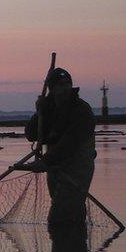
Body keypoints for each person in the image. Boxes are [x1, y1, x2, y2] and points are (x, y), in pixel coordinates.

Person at [22, 67, 97, 226]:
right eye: (59, 85)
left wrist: (45, 162)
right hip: (55, 168)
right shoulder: (49, 109)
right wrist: (39, 113)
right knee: (65, 208)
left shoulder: (81, 109)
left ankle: (70, 246)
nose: (64, 88)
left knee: (61, 215)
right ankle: (75, 243)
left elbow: (71, 142)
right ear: (52, 89)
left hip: (77, 167)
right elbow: (32, 135)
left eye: (67, 84)